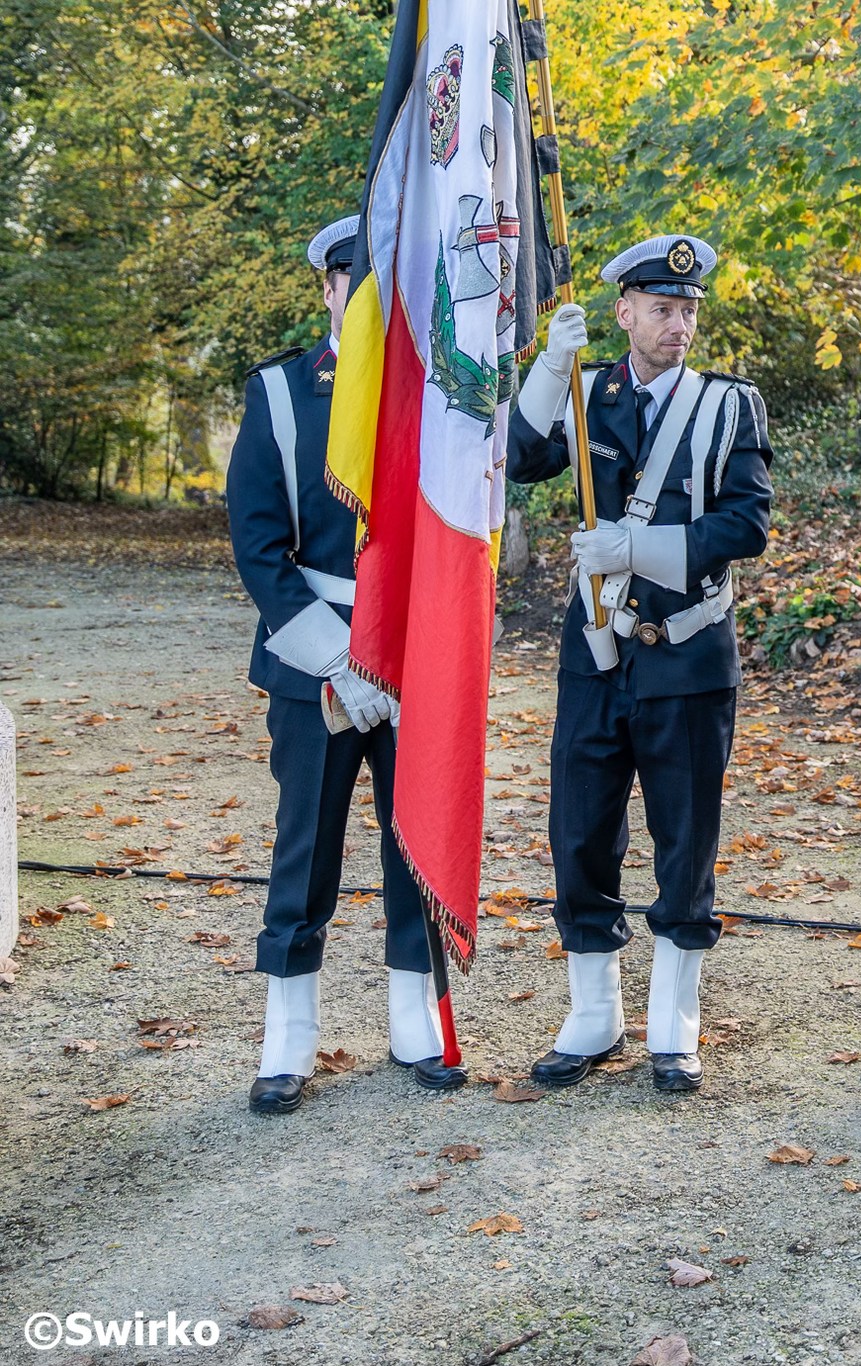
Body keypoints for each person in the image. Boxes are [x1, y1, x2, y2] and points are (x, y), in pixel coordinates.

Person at [505, 233, 773, 1092]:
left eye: (689, 310)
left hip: (689, 654)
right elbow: (518, 459)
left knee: (685, 836)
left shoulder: (729, 407)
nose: (679, 325)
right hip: (595, 653)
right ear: (624, 313)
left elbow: (747, 527)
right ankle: (594, 1014)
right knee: (581, 832)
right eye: (662, 309)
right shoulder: (584, 396)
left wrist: (640, 547)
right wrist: (550, 366)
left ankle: (674, 1021)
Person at [227, 214, 460, 1114]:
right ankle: (288, 1036)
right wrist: (338, 660)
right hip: (314, 663)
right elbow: (258, 549)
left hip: (411, 653)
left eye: (381, 276)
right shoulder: (282, 395)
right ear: (326, 288)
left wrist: (393, 653)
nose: (365, 293)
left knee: (416, 844)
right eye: (350, 278)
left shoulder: (434, 392)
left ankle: (416, 1021)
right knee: (307, 847)